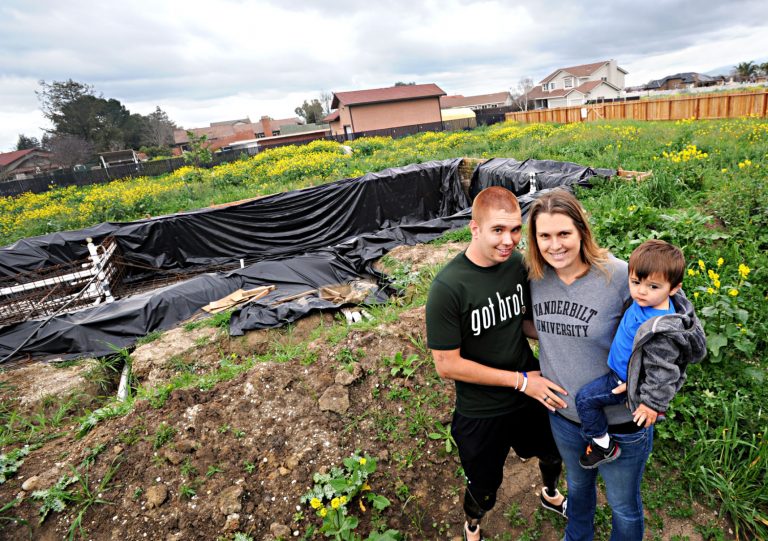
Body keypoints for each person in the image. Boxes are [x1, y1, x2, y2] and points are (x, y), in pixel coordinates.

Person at [426, 186, 567, 541]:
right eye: (498, 230)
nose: (509, 240)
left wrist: (568, 335)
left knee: (553, 451)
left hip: (529, 388)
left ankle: (550, 493)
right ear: (475, 228)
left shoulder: (516, 266)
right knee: (484, 486)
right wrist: (521, 381)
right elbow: (447, 365)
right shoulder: (448, 287)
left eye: (516, 230)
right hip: (482, 408)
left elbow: (521, 322)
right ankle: (472, 524)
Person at [524, 188, 643, 540]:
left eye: (564, 233)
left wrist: (654, 386)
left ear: (581, 231)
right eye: (544, 236)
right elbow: (539, 325)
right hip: (564, 416)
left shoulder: (619, 276)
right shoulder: (535, 277)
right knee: (577, 487)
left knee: (623, 506)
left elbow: (675, 330)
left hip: (620, 421)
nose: (555, 245)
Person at [574, 239, 707, 469]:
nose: (641, 291)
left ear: (674, 289)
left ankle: (602, 444)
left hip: (622, 380)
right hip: (624, 370)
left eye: (653, 287)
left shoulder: (661, 331)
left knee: (584, 400)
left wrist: (650, 403)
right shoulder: (649, 302)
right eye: (635, 282)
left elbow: (664, 371)